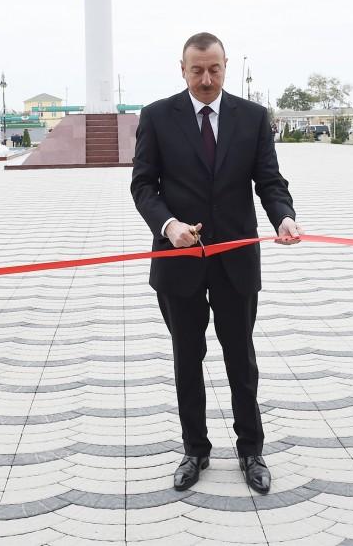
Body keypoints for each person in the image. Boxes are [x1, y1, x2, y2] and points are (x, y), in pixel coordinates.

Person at [131, 32, 302, 494]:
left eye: (214, 69)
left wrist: (284, 218)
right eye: (196, 70)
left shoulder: (252, 117)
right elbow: (143, 186)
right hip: (178, 260)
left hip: (236, 260)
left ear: (226, 66)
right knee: (187, 359)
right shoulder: (157, 117)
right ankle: (195, 450)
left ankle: (251, 451)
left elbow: (269, 180)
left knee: (240, 359)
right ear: (181, 68)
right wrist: (168, 227)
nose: (206, 79)